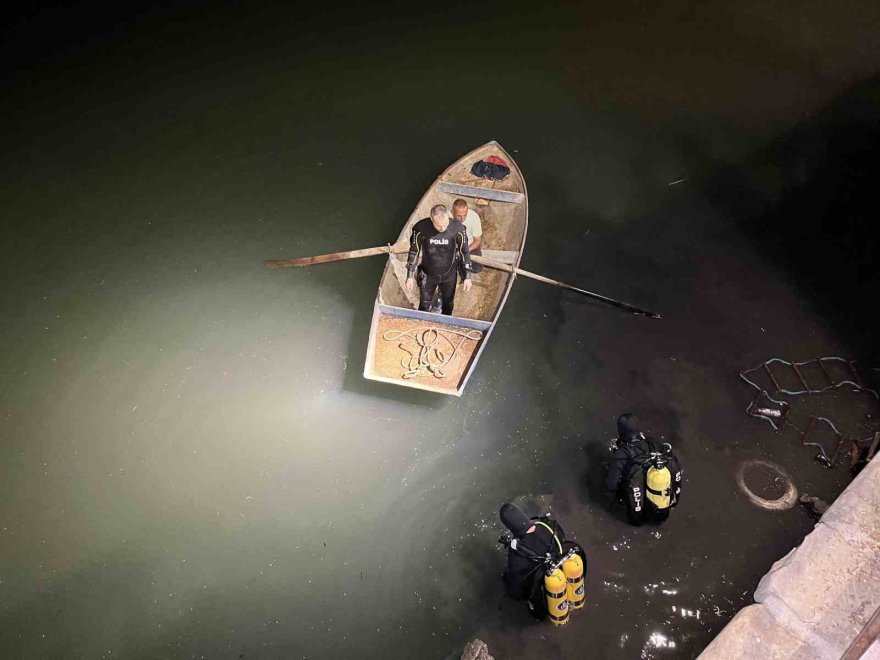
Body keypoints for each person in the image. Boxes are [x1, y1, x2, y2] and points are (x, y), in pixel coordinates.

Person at [498, 502, 583, 619]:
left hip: (546, 597)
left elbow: (516, 591)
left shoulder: (517, 554)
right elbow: (563, 540)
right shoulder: (547, 525)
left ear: (509, 526)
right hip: (565, 574)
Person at [604, 413, 683, 525]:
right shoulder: (654, 445)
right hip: (661, 506)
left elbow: (610, 484)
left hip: (638, 511)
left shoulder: (622, 453)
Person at [405, 203, 472, 315]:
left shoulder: (457, 228)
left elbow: (464, 252)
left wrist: (468, 276)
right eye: (438, 225)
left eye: (445, 224)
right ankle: (423, 322)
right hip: (428, 274)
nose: (442, 228)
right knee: (424, 304)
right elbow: (414, 251)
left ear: (447, 217)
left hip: (449, 275)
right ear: (431, 220)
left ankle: (445, 320)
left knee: (448, 303)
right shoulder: (421, 228)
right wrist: (410, 276)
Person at [448, 199, 484, 274]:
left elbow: (477, 240)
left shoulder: (474, 217)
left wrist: (465, 251)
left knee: (477, 268)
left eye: (465, 215)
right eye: (459, 216)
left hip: (469, 246)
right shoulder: (446, 218)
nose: (462, 219)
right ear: (453, 211)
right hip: (453, 247)